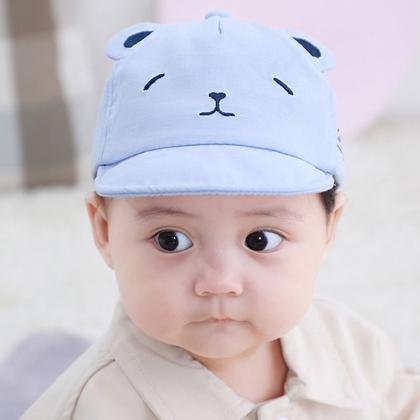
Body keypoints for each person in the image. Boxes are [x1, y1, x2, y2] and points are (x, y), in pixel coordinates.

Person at [20, 10, 420, 420]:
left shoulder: (348, 345)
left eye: (260, 239)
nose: (219, 282)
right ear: (104, 231)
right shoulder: (96, 407)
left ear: (329, 227)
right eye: (169, 239)